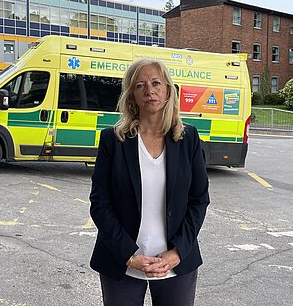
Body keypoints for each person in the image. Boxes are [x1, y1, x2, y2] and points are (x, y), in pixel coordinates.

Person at [89, 58, 210, 306]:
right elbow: (100, 203)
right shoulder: (114, 140)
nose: (149, 90)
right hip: (122, 262)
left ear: (168, 90)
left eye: (156, 83)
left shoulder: (188, 139)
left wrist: (177, 253)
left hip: (176, 263)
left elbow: (199, 200)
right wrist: (129, 256)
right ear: (132, 95)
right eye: (140, 85)